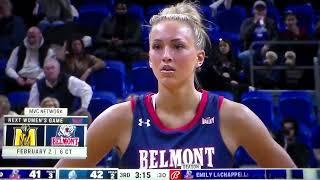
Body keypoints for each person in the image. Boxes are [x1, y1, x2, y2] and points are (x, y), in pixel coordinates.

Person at [55, 1, 295, 168]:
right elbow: (57, 175)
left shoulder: (234, 117)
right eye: (157, 47)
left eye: (178, 46)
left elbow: (292, 175)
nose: (166, 55)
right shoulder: (119, 118)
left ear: (199, 58)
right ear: (149, 58)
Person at [28, 57, 92, 114]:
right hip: (45, 118)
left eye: (52, 68)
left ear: (58, 70)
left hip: (67, 118)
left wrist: (83, 108)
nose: (50, 71)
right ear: (43, 71)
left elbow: (87, 90)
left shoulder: (69, 80)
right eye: (47, 68)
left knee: (86, 115)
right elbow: (32, 107)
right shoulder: (37, 85)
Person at [5, 26, 54, 92]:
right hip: (20, 80)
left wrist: (36, 80)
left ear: (40, 36)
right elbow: (9, 68)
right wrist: (17, 78)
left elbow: (48, 70)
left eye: (33, 37)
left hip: (39, 81)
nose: (31, 40)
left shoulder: (49, 52)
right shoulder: (18, 49)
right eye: (29, 37)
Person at [94, 0, 143, 66]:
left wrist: (122, 42)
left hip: (127, 47)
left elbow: (136, 39)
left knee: (135, 52)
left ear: (127, 10)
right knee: (98, 52)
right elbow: (98, 38)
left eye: (123, 9)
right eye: (118, 9)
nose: (121, 11)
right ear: (115, 10)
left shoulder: (135, 22)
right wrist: (109, 41)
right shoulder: (107, 21)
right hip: (109, 46)